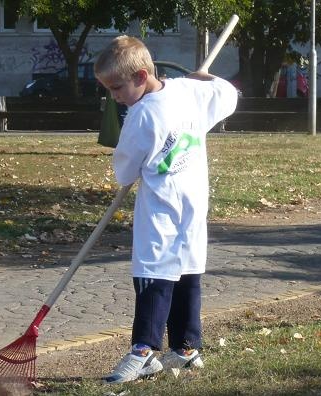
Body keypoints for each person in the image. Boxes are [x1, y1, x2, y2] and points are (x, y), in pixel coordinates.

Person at [94, 35, 238, 383]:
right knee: (187, 270)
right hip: (193, 200)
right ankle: (186, 348)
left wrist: (134, 167)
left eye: (116, 88)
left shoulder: (141, 115)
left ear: (141, 76)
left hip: (162, 207)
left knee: (153, 274)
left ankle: (144, 351)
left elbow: (125, 171)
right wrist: (209, 80)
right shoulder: (188, 91)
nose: (114, 97)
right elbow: (229, 96)